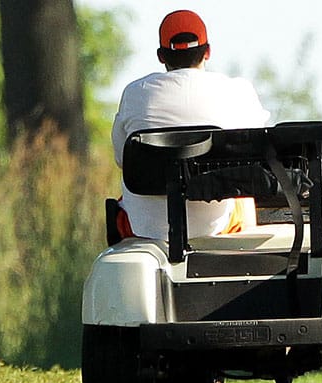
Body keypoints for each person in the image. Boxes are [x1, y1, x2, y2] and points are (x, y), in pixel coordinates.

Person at [111, 9, 270, 240]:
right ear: (208, 51)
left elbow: (121, 159)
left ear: (161, 56)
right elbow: (261, 152)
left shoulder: (135, 93)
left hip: (144, 227)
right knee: (245, 197)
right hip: (217, 225)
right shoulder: (237, 91)